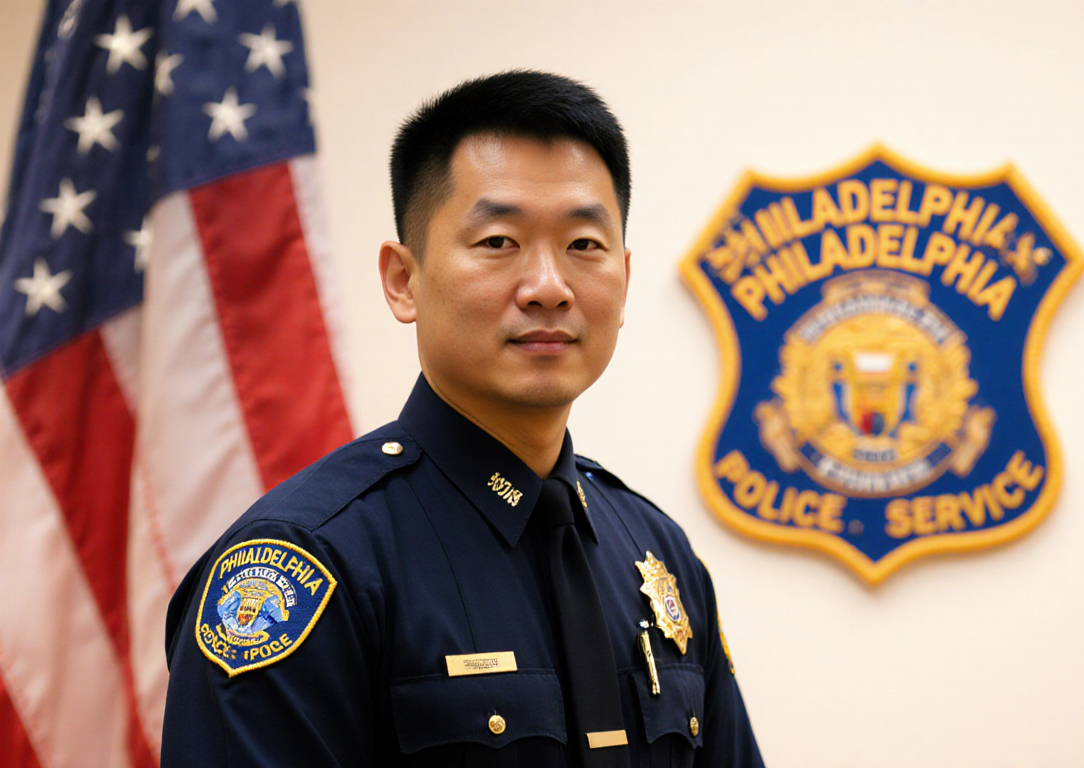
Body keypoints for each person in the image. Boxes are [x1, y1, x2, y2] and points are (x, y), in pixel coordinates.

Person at [161, 70, 764, 768]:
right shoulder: (307, 566)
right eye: (499, 242)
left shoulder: (656, 553)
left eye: (584, 246)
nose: (547, 287)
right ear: (403, 279)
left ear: (624, 280)